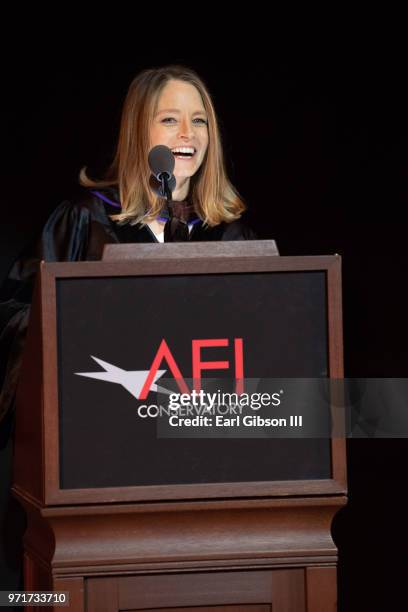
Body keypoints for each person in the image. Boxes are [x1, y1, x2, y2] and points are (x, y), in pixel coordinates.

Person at [0, 64, 256, 425]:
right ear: (138, 132)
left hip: (201, 436)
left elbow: (264, 342)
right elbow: (14, 316)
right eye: (169, 120)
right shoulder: (86, 222)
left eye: (200, 121)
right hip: (102, 426)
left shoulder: (231, 237)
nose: (188, 133)